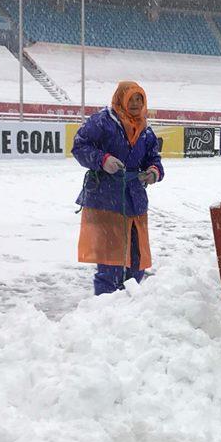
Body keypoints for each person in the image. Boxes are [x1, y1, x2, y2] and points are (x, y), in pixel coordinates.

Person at [72, 81, 163, 295]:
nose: (134, 103)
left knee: (137, 263)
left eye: (139, 99)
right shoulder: (102, 122)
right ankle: (105, 308)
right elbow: (79, 145)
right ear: (120, 98)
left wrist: (153, 172)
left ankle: (127, 306)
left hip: (135, 201)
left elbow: (154, 159)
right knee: (110, 263)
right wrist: (102, 159)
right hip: (106, 199)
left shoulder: (146, 130)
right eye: (130, 98)